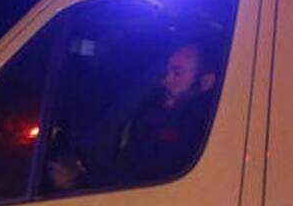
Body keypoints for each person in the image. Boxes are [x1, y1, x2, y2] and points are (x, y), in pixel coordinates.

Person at [47, 41, 220, 190]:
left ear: (206, 82)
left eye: (177, 73)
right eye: (167, 72)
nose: (166, 80)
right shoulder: (155, 107)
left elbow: (143, 177)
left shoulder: (199, 130)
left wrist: (78, 181)